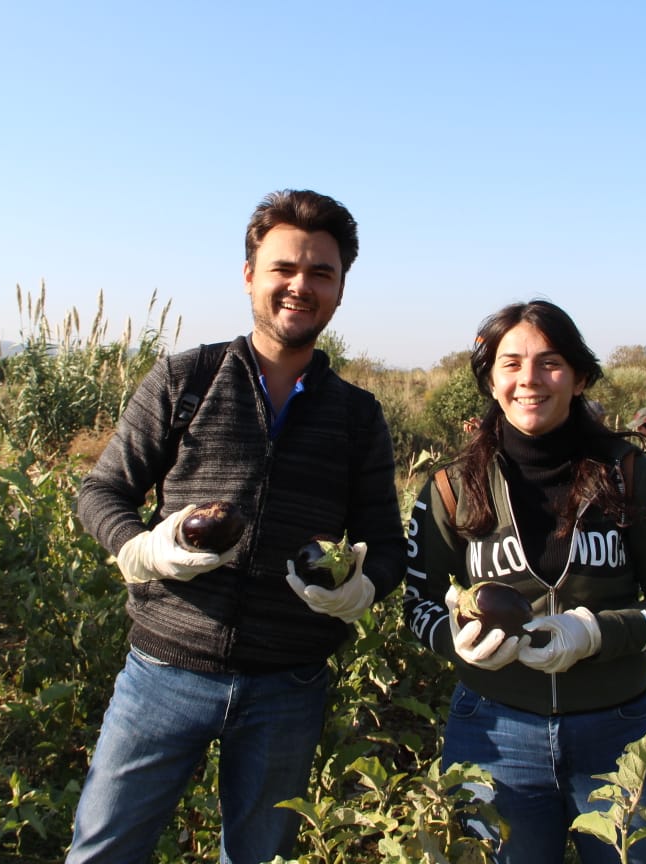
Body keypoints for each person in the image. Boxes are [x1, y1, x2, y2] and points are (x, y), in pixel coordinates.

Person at [68, 189, 406, 864]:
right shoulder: (184, 379)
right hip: (162, 672)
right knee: (104, 850)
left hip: (290, 684)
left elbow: (387, 544)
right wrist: (142, 547)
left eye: (321, 273)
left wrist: (361, 589)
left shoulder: (356, 416)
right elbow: (102, 490)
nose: (300, 285)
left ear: (340, 290)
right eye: (284, 267)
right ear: (250, 274)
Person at [403, 300, 646, 864]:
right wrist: (454, 640)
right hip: (493, 731)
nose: (529, 380)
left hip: (620, 733)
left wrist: (596, 633)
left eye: (551, 363)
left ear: (581, 376)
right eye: (511, 363)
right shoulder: (449, 488)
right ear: (489, 378)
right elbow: (416, 604)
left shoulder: (632, 474)